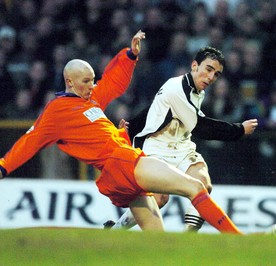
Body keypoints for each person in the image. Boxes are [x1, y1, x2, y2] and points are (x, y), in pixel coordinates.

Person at [0, 30, 244, 235]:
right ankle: (239, 240)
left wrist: (130, 56)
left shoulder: (91, 98)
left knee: (160, 244)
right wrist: (3, 166)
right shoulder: (57, 111)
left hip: (118, 172)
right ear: (69, 82)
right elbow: (30, 141)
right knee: (195, 187)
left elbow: (113, 82)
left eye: (92, 79)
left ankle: (111, 237)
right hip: (123, 162)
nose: (91, 85)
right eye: (85, 81)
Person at [107, 46, 258, 232]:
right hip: (156, 147)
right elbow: (201, 127)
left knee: (203, 183)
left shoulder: (197, 92)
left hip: (180, 146)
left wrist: (131, 125)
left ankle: (187, 238)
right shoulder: (177, 88)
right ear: (194, 65)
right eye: (209, 69)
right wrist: (239, 130)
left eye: (217, 74)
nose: (211, 77)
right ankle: (116, 230)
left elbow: (154, 108)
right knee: (159, 199)